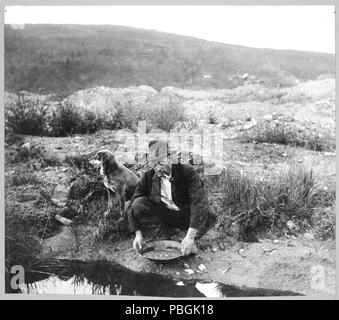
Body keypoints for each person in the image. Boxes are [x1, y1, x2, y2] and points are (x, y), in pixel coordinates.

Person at [127, 139, 216, 256]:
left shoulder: (187, 172)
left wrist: (190, 237)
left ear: (170, 158)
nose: (157, 168)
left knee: (209, 213)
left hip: (185, 215)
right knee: (138, 203)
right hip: (164, 216)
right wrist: (137, 234)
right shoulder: (148, 176)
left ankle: (191, 240)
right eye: (154, 164)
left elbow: (198, 202)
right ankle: (162, 232)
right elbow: (132, 203)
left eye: (160, 163)